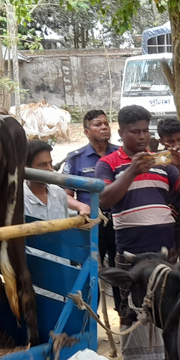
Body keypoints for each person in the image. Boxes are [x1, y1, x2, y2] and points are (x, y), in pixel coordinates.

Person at [96, 105, 180, 360]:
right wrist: (130, 173)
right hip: (129, 251)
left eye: (145, 131)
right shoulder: (109, 163)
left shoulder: (161, 162)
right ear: (121, 132)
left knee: (168, 308)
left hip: (162, 249)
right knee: (128, 309)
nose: (142, 137)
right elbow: (105, 199)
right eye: (134, 131)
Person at [62, 110, 118, 274]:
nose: (104, 127)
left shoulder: (120, 154)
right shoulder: (75, 159)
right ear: (86, 132)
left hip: (120, 222)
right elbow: (66, 195)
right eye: (98, 124)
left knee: (121, 273)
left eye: (106, 123)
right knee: (91, 273)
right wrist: (81, 207)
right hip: (92, 222)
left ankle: (120, 300)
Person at [157, 118, 180, 262]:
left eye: (179, 139)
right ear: (161, 141)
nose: (176, 145)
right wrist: (162, 206)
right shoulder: (157, 162)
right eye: (170, 142)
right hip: (169, 222)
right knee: (169, 263)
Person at [24, 140, 71, 220]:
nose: (50, 169)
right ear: (27, 168)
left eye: (51, 163)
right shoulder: (20, 199)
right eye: (42, 165)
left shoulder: (59, 193)